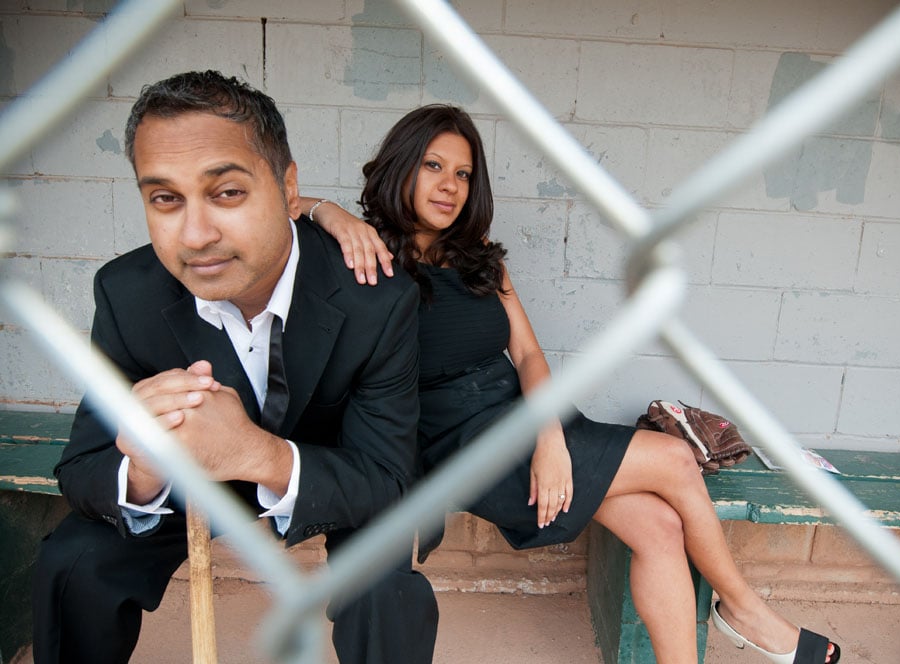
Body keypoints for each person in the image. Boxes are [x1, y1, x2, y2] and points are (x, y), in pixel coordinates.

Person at [304, 104, 842, 664]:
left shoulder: (479, 259)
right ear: (402, 167)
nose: (450, 186)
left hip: (533, 423)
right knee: (677, 462)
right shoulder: (365, 255)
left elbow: (530, 355)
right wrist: (329, 212)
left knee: (659, 526)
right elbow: (275, 205)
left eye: (462, 174)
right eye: (433, 166)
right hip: (464, 446)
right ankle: (743, 608)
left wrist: (550, 438)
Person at [31, 71, 437, 664]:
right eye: (166, 199)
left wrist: (258, 455)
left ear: (289, 189)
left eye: (227, 193)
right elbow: (83, 467)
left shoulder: (376, 299)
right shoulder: (127, 294)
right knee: (74, 562)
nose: (196, 235)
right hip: (190, 483)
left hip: (322, 472)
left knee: (387, 585)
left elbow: (388, 478)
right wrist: (141, 469)